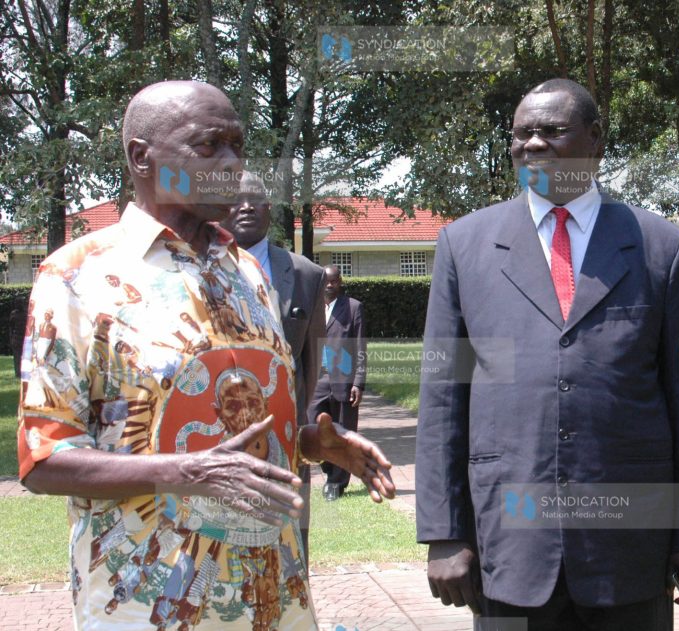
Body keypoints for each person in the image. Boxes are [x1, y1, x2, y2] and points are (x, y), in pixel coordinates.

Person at [16, 80, 395, 630]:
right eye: (209, 146)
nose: (233, 165)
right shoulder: (76, 279)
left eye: (238, 146)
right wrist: (188, 471)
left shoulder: (247, 272)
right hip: (150, 605)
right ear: (141, 158)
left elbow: (239, 425)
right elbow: (43, 461)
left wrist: (311, 444)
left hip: (274, 595)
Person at [416, 78, 679, 630]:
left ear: (596, 141)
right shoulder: (462, 245)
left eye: (552, 131)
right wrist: (444, 532)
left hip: (629, 548)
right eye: (521, 134)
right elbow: (442, 398)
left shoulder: (661, 247)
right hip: (508, 547)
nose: (533, 145)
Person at [221, 171, 327, 556]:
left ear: (270, 209)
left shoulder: (305, 275)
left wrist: (298, 425)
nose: (246, 206)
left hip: (283, 440)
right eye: (236, 198)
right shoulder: (194, 269)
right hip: (214, 440)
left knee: (289, 547)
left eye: (256, 199)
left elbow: (312, 364)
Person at [308, 264, 366, 501]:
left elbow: (360, 346)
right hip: (316, 380)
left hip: (343, 380)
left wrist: (359, 382)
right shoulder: (311, 307)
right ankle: (328, 466)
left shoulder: (353, 308)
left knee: (343, 431)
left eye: (334, 281)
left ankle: (336, 482)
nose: (330, 285)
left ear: (340, 282)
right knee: (312, 426)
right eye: (326, 281)